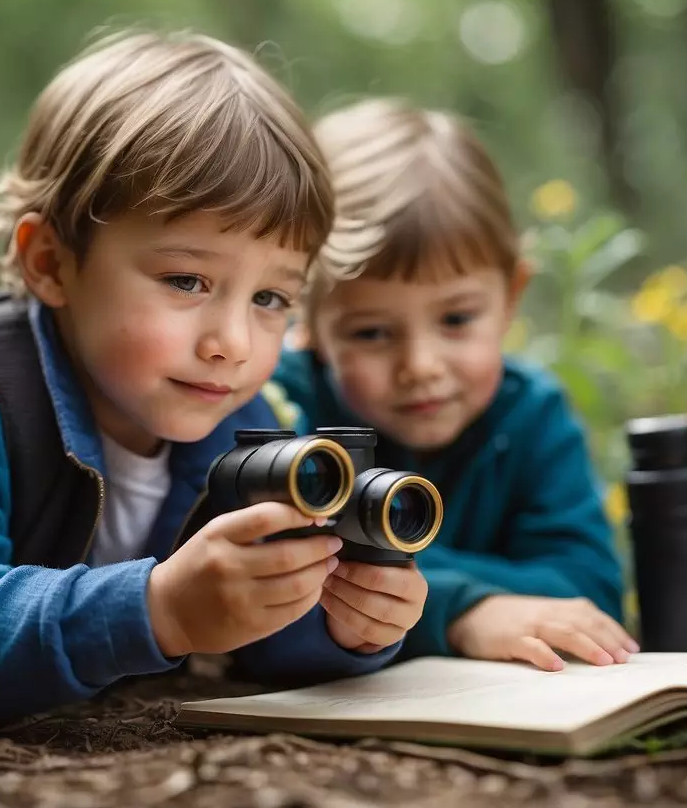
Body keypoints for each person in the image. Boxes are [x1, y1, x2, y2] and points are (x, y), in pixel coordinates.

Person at [0, 32, 427, 756]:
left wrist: (346, 625)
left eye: (271, 296)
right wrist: (156, 610)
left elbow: (264, 636)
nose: (234, 341)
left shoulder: (255, 421)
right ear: (50, 263)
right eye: (186, 281)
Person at [269, 97, 631, 673]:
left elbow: (585, 586)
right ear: (307, 322)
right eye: (371, 332)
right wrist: (467, 609)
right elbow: (285, 579)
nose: (421, 365)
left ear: (511, 296)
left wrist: (396, 574)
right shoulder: (283, 407)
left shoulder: (533, 414)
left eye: (457, 320)